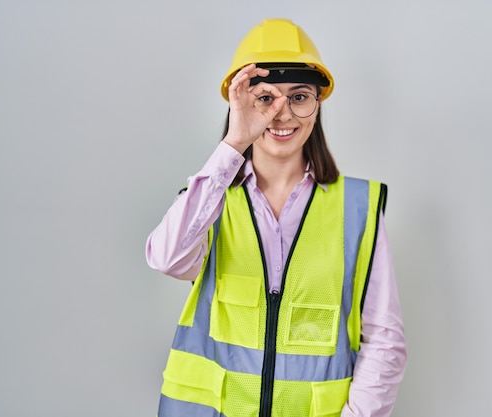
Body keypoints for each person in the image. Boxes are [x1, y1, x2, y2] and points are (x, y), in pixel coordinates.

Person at [146, 18, 407, 417]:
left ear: (317, 105)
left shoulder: (358, 206)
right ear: (239, 103)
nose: (282, 115)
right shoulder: (212, 198)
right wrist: (234, 143)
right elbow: (167, 259)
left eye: (298, 96)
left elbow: (385, 340)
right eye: (265, 98)